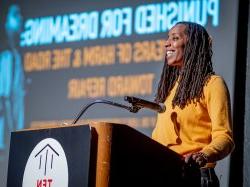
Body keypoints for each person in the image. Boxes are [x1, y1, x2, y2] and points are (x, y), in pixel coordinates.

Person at [152, 22, 234, 187]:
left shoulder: (212, 84)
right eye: (168, 38)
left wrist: (203, 155)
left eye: (174, 38)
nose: (166, 43)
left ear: (192, 45)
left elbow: (225, 138)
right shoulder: (169, 89)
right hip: (162, 174)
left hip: (193, 176)